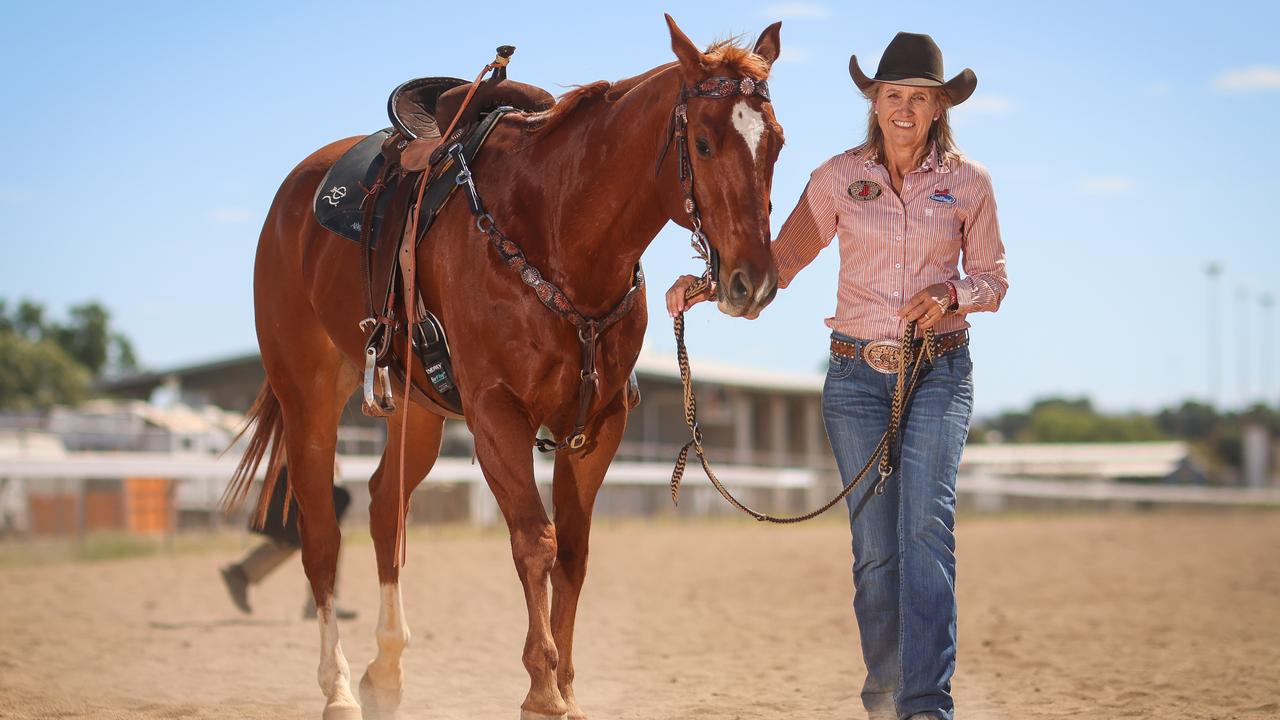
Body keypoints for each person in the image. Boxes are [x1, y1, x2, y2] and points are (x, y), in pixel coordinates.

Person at [667, 32, 1007, 720]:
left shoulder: (969, 183)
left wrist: (950, 295)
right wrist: (708, 287)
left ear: (940, 107)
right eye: (892, 95)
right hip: (854, 381)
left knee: (925, 536)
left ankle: (925, 705)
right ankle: (885, 697)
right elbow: (782, 260)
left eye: (919, 98)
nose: (904, 109)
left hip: (938, 374)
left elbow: (994, 280)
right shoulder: (836, 178)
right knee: (876, 555)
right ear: (874, 101)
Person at [220, 464, 357, 620]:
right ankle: (320, 603)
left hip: (299, 471)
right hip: (299, 471)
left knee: (298, 538)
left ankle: (243, 572)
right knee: (310, 537)